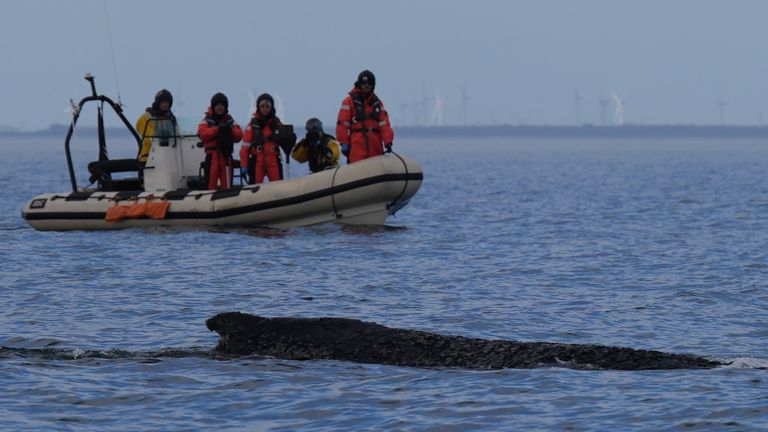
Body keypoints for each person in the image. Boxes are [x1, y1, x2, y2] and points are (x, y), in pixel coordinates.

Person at [336, 70, 394, 163]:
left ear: (373, 85)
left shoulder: (378, 103)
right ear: (359, 83)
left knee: (376, 167)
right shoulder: (349, 101)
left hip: (375, 146)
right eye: (364, 83)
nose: (366, 85)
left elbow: (384, 125)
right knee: (357, 168)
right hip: (357, 145)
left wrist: (388, 141)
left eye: (369, 83)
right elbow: (342, 124)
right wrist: (344, 143)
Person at [197, 92, 243, 190]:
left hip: (226, 157)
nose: (220, 107)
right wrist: (218, 129)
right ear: (213, 106)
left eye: (222, 105)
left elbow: (238, 136)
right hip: (211, 157)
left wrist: (228, 129)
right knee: (210, 187)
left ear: (225, 107)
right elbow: (203, 134)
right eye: (217, 105)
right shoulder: (206, 120)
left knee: (227, 187)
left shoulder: (230, 121)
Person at [241, 93, 286, 184]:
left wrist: (290, 138)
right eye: (262, 106)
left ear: (271, 108)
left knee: (278, 188)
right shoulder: (252, 125)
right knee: (254, 190)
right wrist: (244, 165)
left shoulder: (277, 124)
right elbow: (245, 147)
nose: (264, 108)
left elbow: (286, 139)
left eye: (267, 106)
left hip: (273, 160)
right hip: (257, 160)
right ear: (258, 107)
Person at [136, 89, 178, 165]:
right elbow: (150, 137)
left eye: (167, 102)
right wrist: (160, 134)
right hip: (149, 156)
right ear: (158, 102)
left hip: (169, 155)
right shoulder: (147, 117)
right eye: (163, 102)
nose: (165, 104)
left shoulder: (171, 118)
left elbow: (177, 134)